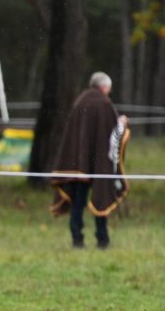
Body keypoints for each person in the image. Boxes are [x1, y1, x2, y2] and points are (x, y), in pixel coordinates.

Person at [50, 72, 130, 249]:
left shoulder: (80, 101)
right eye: (109, 89)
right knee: (100, 196)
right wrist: (122, 124)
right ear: (103, 87)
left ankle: (76, 238)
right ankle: (102, 239)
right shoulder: (104, 103)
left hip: (79, 163)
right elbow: (113, 135)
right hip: (98, 162)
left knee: (78, 200)